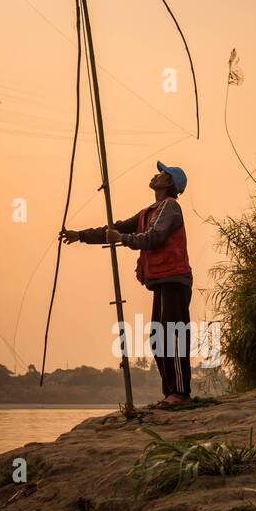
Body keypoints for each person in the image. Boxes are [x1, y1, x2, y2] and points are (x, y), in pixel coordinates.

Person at [60, 162, 193, 409]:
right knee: (158, 338)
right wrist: (81, 236)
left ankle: (180, 393)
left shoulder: (170, 207)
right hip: (162, 280)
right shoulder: (147, 212)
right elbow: (115, 229)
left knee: (171, 334)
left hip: (175, 278)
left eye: (162, 174)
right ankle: (171, 393)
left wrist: (122, 239)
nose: (156, 175)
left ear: (170, 184)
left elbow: (153, 238)